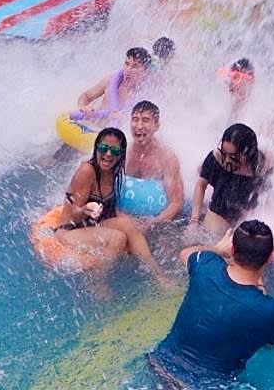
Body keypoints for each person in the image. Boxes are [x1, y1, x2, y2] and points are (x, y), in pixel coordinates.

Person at [148, 220, 274, 387]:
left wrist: (217, 249)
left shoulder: (205, 265)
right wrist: (260, 287)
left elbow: (185, 253)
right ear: (271, 256)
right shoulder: (271, 310)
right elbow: (271, 346)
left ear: (232, 249)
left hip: (159, 365)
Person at [54, 127, 168, 283]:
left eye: (114, 151)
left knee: (127, 224)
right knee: (117, 238)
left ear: (121, 154)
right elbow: (73, 215)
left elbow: (110, 209)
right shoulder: (87, 171)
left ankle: (158, 275)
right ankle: (97, 282)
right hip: (69, 230)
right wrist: (85, 210)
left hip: (92, 224)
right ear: (96, 148)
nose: (108, 154)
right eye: (103, 148)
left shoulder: (113, 171)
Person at [191, 123, 271, 236]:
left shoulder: (262, 165)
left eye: (233, 157)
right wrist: (194, 220)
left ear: (247, 153)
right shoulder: (216, 158)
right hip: (219, 211)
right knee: (210, 238)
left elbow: (266, 197)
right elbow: (200, 185)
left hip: (247, 216)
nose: (227, 160)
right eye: (224, 153)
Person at [125, 100, 184, 226]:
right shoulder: (123, 152)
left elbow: (176, 203)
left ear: (156, 125)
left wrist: (152, 223)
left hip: (156, 219)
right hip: (125, 215)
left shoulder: (166, 158)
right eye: (135, 119)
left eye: (145, 120)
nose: (139, 126)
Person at [75, 47, 152, 120]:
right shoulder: (109, 81)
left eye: (135, 66)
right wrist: (83, 106)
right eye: (127, 64)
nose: (128, 70)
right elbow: (87, 96)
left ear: (145, 71)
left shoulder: (145, 95)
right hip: (92, 126)